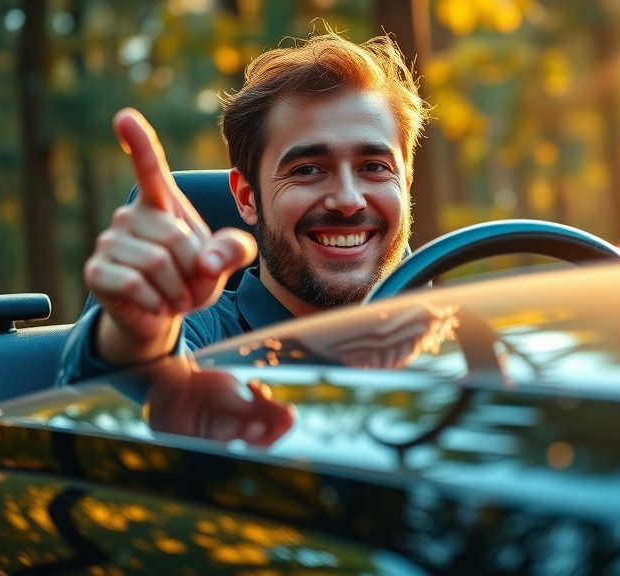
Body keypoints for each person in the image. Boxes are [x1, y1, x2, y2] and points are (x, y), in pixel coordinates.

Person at [56, 28, 432, 445]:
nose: (347, 200)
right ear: (247, 197)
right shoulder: (204, 336)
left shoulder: (455, 345)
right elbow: (118, 395)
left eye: (374, 167)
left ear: (407, 184)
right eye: (307, 169)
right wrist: (137, 335)